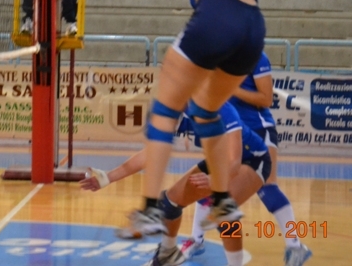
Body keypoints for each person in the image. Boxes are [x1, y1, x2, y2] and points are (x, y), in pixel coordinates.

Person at [93, 0, 266, 233]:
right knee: (206, 111)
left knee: (164, 111)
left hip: (218, 14)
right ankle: (223, 201)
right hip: (254, 28)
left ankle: (149, 210)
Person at [80, 102, 272, 266]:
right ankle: (168, 254)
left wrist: (215, 181)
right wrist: (107, 177)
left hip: (253, 160)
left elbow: (234, 161)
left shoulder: (222, 108)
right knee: (169, 202)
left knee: (223, 212)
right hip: (217, 161)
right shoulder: (175, 108)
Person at [182, 51, 312, 266]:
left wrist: (231, 88)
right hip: (227, 129)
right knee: (209, 182)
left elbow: (266, 98)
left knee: (267, 187)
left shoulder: (255, 56)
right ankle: (196, 240)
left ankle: (295, 246)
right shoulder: (214, 55)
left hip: (258, 128)